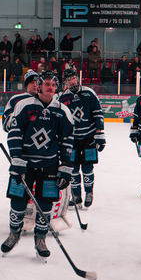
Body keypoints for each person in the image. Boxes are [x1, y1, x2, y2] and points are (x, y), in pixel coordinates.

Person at [1, 70, 74, 259]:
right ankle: (13, 233)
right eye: (47, 84)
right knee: (17, 201)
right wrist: (16, 160)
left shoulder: (62, 110)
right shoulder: (24, 106)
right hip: (24, 164)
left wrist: (66, 167)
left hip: (49, 164)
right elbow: (15, 133)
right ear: (39, 85)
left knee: (45, 203)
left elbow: (67, 140)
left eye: (53, 85)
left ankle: (40, 238)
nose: (50, 88)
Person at [57, 68, 104, 208]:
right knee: (73, 169)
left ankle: (89, 192)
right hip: (72, 140)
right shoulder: (62, 98)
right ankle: (76, 196)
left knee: (88, 168)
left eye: (73, 78)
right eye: (68, 80)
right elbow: (60, 120)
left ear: (77, 78)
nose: (72, 81)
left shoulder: (89, 93)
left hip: (89, 137)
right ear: (65, 82)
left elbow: (98, 113)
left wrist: (100, 134)